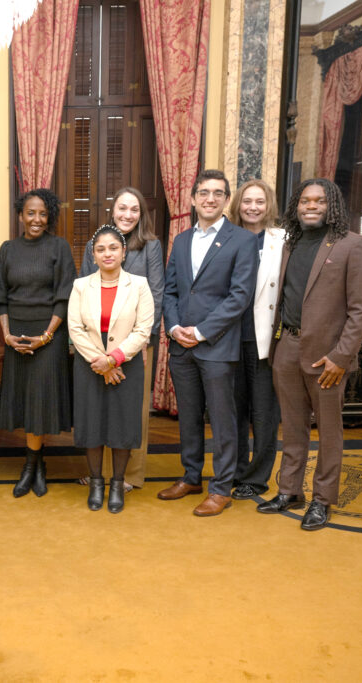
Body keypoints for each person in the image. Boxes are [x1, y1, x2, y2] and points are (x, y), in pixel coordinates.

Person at [257, 179, 362, 530]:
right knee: (292, 427)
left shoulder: (353, 246)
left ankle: (323, 500)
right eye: (305, 201)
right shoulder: (290, 244)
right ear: (296, 206)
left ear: (332, 205)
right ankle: (290, 490)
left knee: (328, 431)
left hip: (327, 357)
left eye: (319, 201)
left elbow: (361, 310)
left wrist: (341, 357)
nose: (311, 206)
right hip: (288, 349)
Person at [158, 169, 257, 516]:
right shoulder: (181, 241)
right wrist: (174, 329)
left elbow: (239, 297)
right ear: (193, 199)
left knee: (222, 419)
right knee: (188, 416)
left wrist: (199, 332)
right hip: (180, 345)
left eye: (217, 193)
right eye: (203, 192)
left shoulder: (242, 241)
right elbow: (170, 291)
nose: (209, 198)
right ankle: (191, 476)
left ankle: (221, 488)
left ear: (227, 200)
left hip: (216, 346)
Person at [78, 186, 164, 494]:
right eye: (122, 208)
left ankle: (131, 475)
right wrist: (99, 353)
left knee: (132, 411)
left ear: (141, 215)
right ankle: (99, 474)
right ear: (112, 212)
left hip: (136, 346)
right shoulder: (96, 244)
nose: (127, 215)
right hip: (97, 347)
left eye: (134, 210)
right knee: (99, 408)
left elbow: (157, 293)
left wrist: (135, 347)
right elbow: (84, 292)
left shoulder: (150, 246)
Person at [67, 226, 154, 512]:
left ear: (123, 252)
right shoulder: (81, 286)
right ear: (93, 255)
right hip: (89, 364)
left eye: (113, 248)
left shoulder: (139, 285)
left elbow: (143, 330)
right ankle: (95, 482)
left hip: (126, 366)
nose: (107, 253)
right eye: (101, 249)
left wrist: (114, 359)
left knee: (122, 424)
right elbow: (75, 329)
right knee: (91, 425)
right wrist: (101, 362)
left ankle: (117, 484)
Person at [0, 188, 75, 497]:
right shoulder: (7, 249)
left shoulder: (59, 247)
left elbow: (64, 297)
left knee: (41, 402)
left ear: (49, 216)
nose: (37, 219)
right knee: (25, 403)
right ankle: (34, 464)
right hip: (16, 336)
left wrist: (45, 337)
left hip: (49, 335)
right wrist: (6, 335)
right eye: (31, 212)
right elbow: (0, 296)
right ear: (20, 215)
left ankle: (34, 465)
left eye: (43, 213)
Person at [225, 179, 286, 501]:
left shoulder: (282, 240)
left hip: (265, 341)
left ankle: (257, 479)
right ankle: (234, 471)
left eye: (259, 201)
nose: (252, 207)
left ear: (268, 205)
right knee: (233, 413)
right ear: (238, 204)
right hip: (228, 339)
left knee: (264, 414)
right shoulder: (226, 237)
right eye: (247, 201)